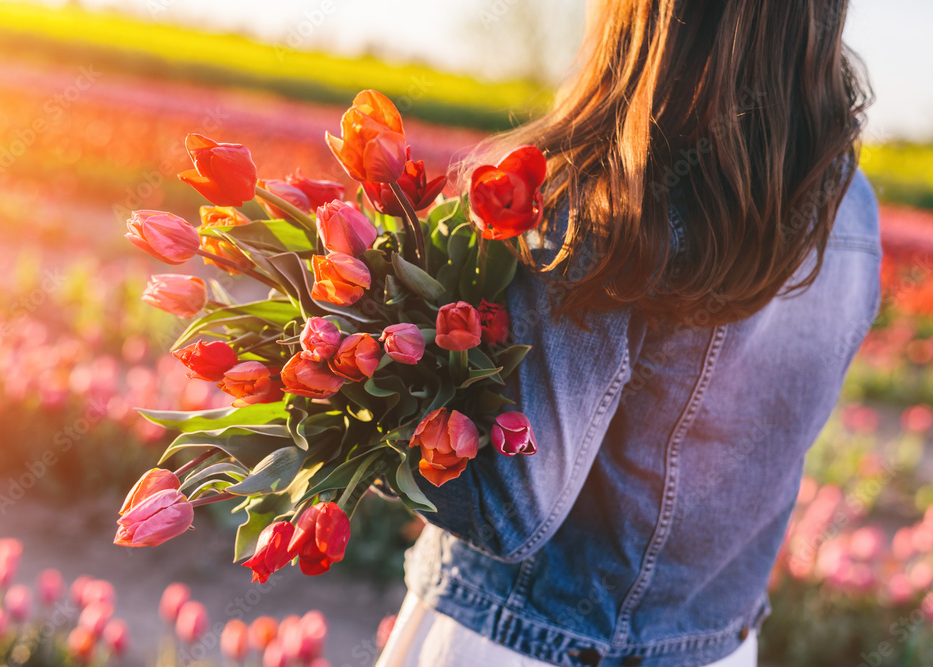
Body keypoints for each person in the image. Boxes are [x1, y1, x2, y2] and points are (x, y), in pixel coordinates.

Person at [376, 0, 878, 665]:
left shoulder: (612, 202)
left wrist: (355, 395)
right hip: (716, 647)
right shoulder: (850, 207)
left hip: (523, 641)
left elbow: (511, 507)